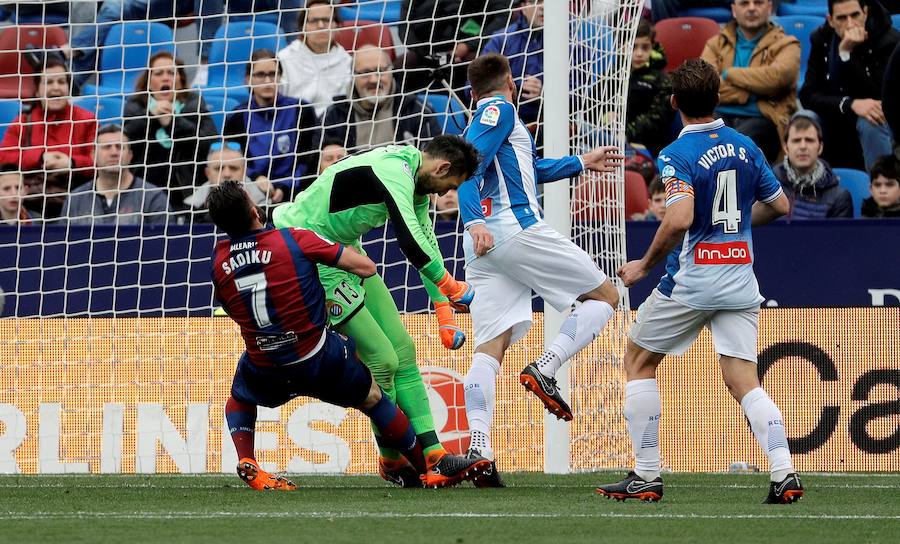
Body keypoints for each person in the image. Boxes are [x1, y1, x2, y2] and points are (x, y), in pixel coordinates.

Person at [595, 59, 802, 504]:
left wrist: (645, 264)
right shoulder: (746, 145)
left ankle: (646, 474)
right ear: (719, 98)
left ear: (674, 103)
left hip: (694, 279)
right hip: (741, 278)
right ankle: (784, 471)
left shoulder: (676, 154)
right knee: (744, 378)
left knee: (637, 361)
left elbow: (681, 217)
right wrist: (737, 225)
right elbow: (781, 205)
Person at [207, 181, 488, 490]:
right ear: (254, 209)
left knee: (239, 397)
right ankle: (424, 466)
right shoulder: (293, 239)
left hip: (266, 363)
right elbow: (366, 268)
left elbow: (233, 310)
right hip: (316, 356)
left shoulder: (219, 262)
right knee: (375, 394)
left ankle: (248, 459)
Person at [272, 135, 488, 488]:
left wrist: (444, 311)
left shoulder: (417, 179)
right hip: (306, 251)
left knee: (403, 350)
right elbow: (407, 239)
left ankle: (434, 454)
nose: (441, 194)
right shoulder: (393, 171)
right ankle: (392, 459)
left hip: (342, 250)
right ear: (443, 167)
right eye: (449, 185)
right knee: (382, 360)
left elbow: (426, 242)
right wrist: (451, 285)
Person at [457, 53, 624, 485]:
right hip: (513, 232)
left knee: (488, 348)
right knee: (607, 296)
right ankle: (547, 366)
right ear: (509, 83)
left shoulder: (484, 120)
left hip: (485, 248)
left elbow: (528, 172)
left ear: (470, 92)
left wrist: (580, 162)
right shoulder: (500, 109)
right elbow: (467, 169)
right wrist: (474, 219)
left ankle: (479, 447)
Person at [799, 0, 900, 170]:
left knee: (872, 121)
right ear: (830, 20)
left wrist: (847, 57)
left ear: (865, 13)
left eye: (855, 15)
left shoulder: (889, 40)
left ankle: (881, 186)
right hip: (836, 116)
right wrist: (850, 104)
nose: (850, 24)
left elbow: (881, 96)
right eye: (842, 18)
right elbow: (808, 95)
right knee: (803, 119)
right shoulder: (821, 40)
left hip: (876, 122)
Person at [701, 0, 800, 163]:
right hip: (718, 114)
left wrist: (728, 74)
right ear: (734, 10)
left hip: (764, 118)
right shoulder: (715, 44)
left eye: (758, 3)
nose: (752, 8)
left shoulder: (787, 44)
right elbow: (705, 85)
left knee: (735, 149)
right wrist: (752, 92)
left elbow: (776, 79)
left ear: (769, 7)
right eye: (745, 3)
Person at [0, 55, 96, 218]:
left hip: (76, 203)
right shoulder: (24, 120)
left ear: (68, 87)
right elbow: (4, 157)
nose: (56, 88)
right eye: (49, 82)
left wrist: (71, 163)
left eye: (61, 82)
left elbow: (99, 161)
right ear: (37, 90)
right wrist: (40, 157)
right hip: (31, 204)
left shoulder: (87, 119)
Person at [123, 51, 218, 210]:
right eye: (159, 73)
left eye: (171, 73)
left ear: (180, 80)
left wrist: (173, 122)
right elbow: (126, 143)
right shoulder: (135, 106)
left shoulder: (194, 104)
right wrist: (151, 116)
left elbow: (210, 146)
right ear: (148, 81)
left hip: (187, 190)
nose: (165, 78)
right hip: (143, 189)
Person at [224, 49, 320, 201]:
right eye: (261, 75)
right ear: (248, 79)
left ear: (280, 76)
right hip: (250, 192)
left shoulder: (302, 110)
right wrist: (256, 178)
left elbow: (308, 159)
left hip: (297, 193)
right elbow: (232, 160)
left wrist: (284, 185)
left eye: (273, 74)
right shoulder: (237, 117)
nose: (268, 80)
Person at [322, 45, 441, 152]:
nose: (374, 80)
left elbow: (433, 160)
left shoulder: (417, 111)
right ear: (353, 76)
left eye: (381, 71)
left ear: (391, 71)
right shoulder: (334, 116)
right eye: (365, 72)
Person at [61, 124, 170, 225]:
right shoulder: (75, 200)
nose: (113, 153)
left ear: (130, 155)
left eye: (119, 147)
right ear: (93, 155)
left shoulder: (153, 198)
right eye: (106, 147)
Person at [277, 0, 352, 117]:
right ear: (303, 26)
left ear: (336, 25)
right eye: (314, 21)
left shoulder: (347, 61)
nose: (321, 26)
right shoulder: (285, 59)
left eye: (326, 20)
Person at [772, 112, 853, 219]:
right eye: (796, 141)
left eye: (809, 140)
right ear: (786, 148)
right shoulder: (765, 188)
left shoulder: (839, 197)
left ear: (820, 147)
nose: (803, 146)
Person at [479, 0, 545, 127]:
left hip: (551, 123)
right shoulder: (500, 40)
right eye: (536, 1)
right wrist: (510, 90)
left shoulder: (570, 42)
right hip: (502, 123)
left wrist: (544, 93)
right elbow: (473, 86)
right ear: (522, 6)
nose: (543, 7)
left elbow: (581, 92)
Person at [183, 142, 270, 219]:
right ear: (208, 173)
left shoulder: (266, 205)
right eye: (219, 168)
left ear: (244, 171)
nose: (227, 174)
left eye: (234, 168)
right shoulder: (190, 208)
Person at [627, 19, 675, 157]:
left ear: (652, 47)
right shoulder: (613, 75)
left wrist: (624, 132)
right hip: (610, 141)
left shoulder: (663, 81)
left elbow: (656, 121)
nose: (639, 53)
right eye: (633, 47)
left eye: (645, 47)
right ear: (623, 46)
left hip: (647, 147)